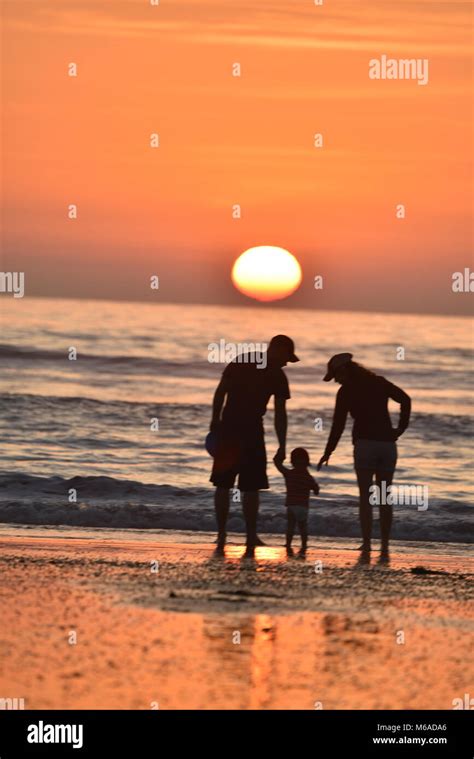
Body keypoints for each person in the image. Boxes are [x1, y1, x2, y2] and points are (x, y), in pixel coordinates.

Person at [210, 335, 299, 555]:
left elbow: (221, 391)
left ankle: (223, 535)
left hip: (229, 427)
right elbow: (280, 414)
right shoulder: (277, 375)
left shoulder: (242, 360)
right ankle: (248, 536)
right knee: (249, 487)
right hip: (250, 431)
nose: (287, 362)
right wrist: (282, 445)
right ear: (277, 349)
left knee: (224, 483)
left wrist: (215, 421)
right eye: (287, 356)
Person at [317, 353, 411, 562]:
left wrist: (328, 451)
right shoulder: (379, 383)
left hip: (365, 446)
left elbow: (338, 425)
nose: (336, 380)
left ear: (343, 370)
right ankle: (385, 544)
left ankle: (368, 543)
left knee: (366, 497)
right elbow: (405, 399)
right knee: (385, 496)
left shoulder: (345, 391)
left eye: (336, 376)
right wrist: (400, 428)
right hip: (387, 446)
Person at [273, 447, 319, 557]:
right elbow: (316, 490)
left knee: (290, 526)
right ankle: (304, 545)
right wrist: (315, 490)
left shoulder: (289, 474)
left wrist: (278, 457)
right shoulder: (308, 477)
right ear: (307, 462)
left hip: (291, 505)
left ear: (292, 461)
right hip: (303, 506)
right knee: (303, 527)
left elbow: (279, 466)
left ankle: (288, 544)